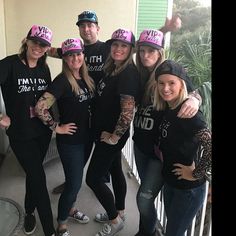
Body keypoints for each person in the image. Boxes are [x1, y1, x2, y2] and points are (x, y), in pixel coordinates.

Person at [50, 10, 184, 195]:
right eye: (82, 26)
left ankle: (90, 184)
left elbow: (138, 45)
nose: (87, 29)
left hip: (111, 110)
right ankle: (72, 182)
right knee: (83, 156)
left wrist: (166, 29)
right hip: (88, 109)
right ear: (79, 30)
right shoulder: (76, 49)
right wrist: (32, 48)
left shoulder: (108, 48)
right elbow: (49, 51)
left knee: (102, 163)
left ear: (98, 28)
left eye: (90, 25)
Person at [133, 29, 202, 236]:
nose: (146, 55)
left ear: (160, 52)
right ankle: (146, 230)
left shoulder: (172, 73)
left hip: (158, 153)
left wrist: (195, 99)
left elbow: (192, 91)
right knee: (146, 194)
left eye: (151, 51)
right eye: (142, 51)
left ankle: (150, 230)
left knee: (144, 198)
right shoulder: (139, 74)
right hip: (140, 146)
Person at [35, 38, 95, 236]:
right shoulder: (62, 81)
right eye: (70, 55)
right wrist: (56, 127)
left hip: (86, 139)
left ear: (83, 56)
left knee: (75, 180)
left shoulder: (85, 78)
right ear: (65, 59)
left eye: (78, 54)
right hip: (70, 142)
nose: (75, 58)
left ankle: (70, 209)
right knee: (74, 183)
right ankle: (61, 223)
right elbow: (40, 107)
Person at [0, 25, 56, 236]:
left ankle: (29, 211)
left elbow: (48, 98)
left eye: (44, 45)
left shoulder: (44, 68)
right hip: (20, 135)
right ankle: (50, 231)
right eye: (36, 42)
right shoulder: (9, 64)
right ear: (27, 41)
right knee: (39, 178)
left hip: (42, 133)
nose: (39, 47)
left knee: (34, 175)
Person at [85, 28, 141, 236]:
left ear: (131, 50)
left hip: (111, 135)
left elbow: (127, 112)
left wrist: (113, 137)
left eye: (123, 46)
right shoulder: (113, 67)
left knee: (93, 178)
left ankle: (114, 219)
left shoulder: (127, 73)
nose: (118, 49)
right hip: (105, 131)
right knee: (116, 171)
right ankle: (120, 211)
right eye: (115, 44)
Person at [153, 59, 211, 236]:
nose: (166, 88)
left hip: (188, 189)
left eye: (172, 83)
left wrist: (196, 173)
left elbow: (210, 144)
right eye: (161, 83)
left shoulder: (190, 114)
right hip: (171, 182)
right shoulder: (170, 107)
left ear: (181, 84)